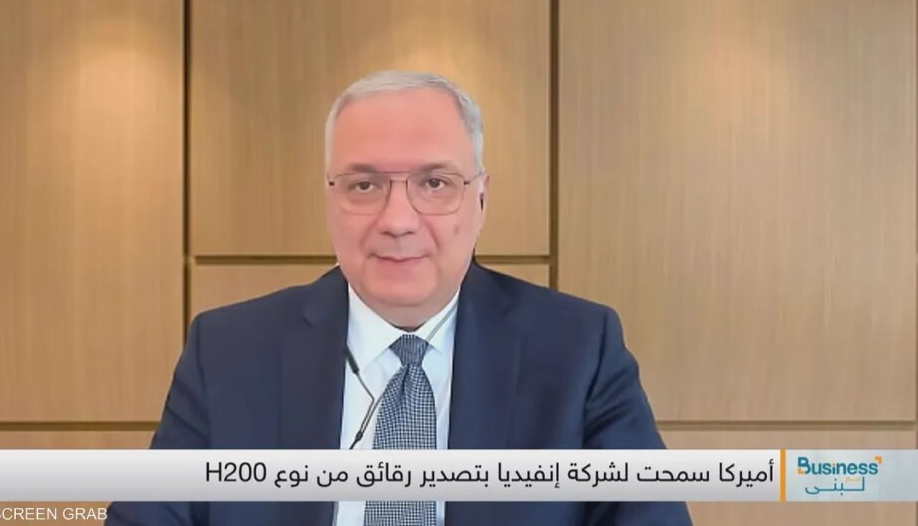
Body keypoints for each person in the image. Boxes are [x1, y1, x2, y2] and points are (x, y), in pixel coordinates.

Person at [106, 70, 692, 525]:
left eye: (434, 183)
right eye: (364, 185)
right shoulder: (229, 353)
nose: (397, 220)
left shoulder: (578, 351)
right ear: (330, 200)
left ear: (481, 200)